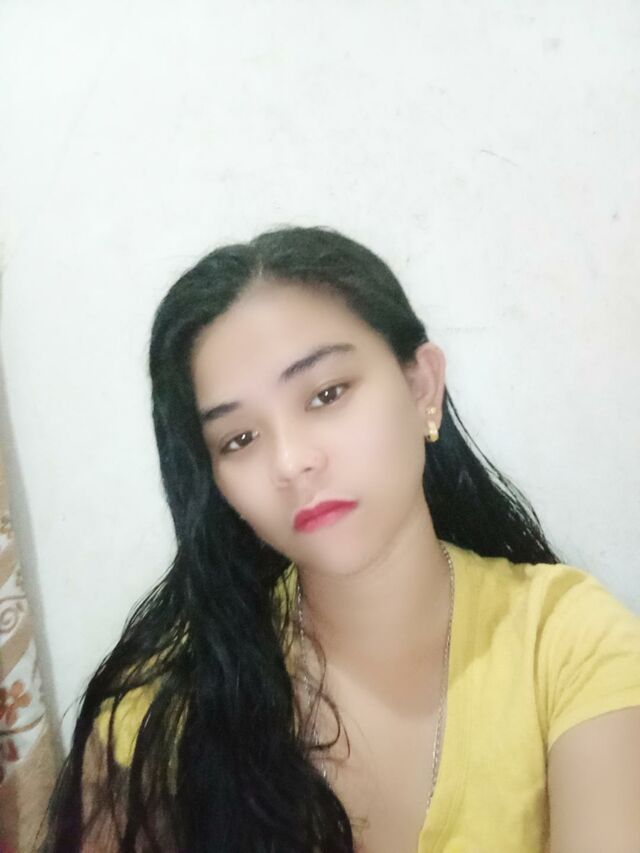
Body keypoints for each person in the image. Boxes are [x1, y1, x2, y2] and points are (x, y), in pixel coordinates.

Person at [41, 226, 640, 853]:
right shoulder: (166, 705)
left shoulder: (567, 644)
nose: (291, 461)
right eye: (239, 439)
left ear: (421, 387)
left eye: (326, 395)